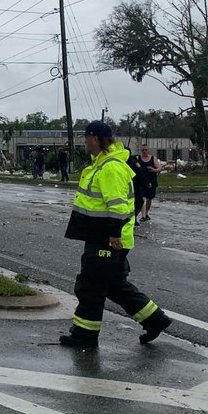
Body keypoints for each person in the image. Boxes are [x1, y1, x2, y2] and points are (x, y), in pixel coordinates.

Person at [59, 120, 172, 349]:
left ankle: (85, 335)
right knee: (114, 285)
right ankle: (155, 320)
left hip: (108, 239)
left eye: (87, 138)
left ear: (95, 139)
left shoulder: (110, 167)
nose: (85, 142)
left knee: (90, 286)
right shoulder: (104, 163)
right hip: (107, 236)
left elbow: (119, 207)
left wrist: (112, 235)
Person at [135, 144, 163, 222]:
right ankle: (143, 216)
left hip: (151, 181)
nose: (144, 151)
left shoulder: (153, 158)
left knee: (149, 198)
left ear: (148, 150)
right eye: (142, 150)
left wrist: (154, 170)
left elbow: (159, 168)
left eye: (145, 150)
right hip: (141, 182)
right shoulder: (138, 159)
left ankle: (146, 213)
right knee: (142, 198)